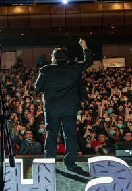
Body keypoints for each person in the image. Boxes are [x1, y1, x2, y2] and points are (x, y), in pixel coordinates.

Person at [35, 38, 93, 173]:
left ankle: (49, 162)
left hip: (52, 109)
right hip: (70, 108)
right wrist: (84, 47)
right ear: (67, 58)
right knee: (70, 135)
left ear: (54, 57)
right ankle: (70, 163)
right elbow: (89, 62)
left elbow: (38, 87)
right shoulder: (74, 68)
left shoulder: (46, 69)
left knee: (51, 134)